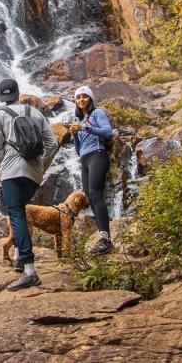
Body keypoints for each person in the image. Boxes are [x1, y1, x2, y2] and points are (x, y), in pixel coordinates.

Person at [0, 78, 59, 290]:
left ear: (2, 97)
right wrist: (41, 166)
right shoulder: (35, 113)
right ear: (19, 94)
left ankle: (30, 271)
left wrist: (4, 168)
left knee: (16, 214)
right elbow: (53, 144)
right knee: (20, 210)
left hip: (11, 172)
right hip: (34, 174)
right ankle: (20, 257)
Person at [69, 85, 114, 255]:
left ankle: (106, 239)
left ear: (91, 99)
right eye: (78, 97)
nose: (81, 100)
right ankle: (104, 238)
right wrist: (74, 133)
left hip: (98, 154)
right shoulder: (79, 120)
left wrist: (84, 128)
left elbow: (108, 132)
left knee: (96, 194)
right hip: (85, 158)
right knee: (89, 197)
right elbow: (79, 149)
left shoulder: (97, 113)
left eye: (84, 96)